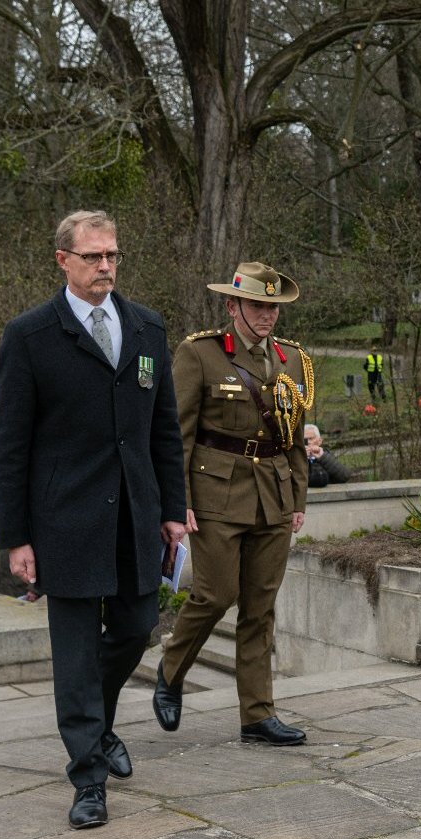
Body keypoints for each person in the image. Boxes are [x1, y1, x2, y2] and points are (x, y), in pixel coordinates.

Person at [0, 209, 188, 830]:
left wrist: (174, 509)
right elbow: (9, 444)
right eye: (93, 256)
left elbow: (163, 429)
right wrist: (16, 536)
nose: (106, 266)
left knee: (136, 626)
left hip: (135, 512)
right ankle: (88, 777)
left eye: (113, 256)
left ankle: (96, 728)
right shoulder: (29, 336)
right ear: (63, 261)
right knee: (75, 656)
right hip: (64, 522)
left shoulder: (146, 327)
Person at [155, 261, 313, 748]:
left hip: (274, 496)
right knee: (215, 595)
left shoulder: (291, 360)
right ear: (233, 305)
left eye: (274, 307)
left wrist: (298, 498)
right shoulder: (199, 354)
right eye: (257, 306)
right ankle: (171, 670)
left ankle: (257, 715)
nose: (267, 316)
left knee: (260, 608)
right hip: (215, 495)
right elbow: (175, 435)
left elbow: (295, 439)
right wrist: (176, 502)